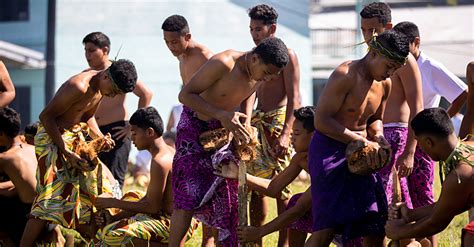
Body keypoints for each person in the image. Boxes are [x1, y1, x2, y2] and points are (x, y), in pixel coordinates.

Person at [168, 37, 289, 246]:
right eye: (267, 73)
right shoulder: (223, 63)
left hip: (226, 130)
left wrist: (247, 120)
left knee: (228, 194)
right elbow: (185, 95)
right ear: (255, 58)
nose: (268, 79)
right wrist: (221, 114)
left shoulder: (259, 73)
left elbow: (249, 91)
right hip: (194, 131)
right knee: (187, 199)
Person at [19, 59, 137, 246]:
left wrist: (100, 137)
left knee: (96, 189)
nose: (112, 96)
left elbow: (87, 116)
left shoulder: (100, 89)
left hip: (74, 137)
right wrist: (65, 151)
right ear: (106, 75)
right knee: (50, 198)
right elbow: (46, 117)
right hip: (51, 138)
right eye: (113, 91)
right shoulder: (78, 86)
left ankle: (93, 238)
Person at [308, 30, 409, 246]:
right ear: (373, 53)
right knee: (326, 227)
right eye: (388, 66)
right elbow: (321, 120)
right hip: (329, 151)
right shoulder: (345, 75)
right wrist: (360, 140)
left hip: (363, 157)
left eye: (395, 68)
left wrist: (379, 136)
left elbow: (375, 119)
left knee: (376, 222)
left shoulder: (385, 84)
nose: (390, 73)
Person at [95, 107, 197, 246]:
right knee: (133, 196)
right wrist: (115, 217)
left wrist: (112, 202)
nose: (131, 138)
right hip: (177, 217)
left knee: (112, 236)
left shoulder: (160, 161)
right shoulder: (168, 151)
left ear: (150, 132)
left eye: (134, 133)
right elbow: (151, 199)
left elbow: (152, 207)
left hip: (175, 224)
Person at [243, 5, 302, 245]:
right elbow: (248, 92)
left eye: (258, 29)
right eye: (251, 29)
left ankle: (283, 243)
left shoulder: (287, 54)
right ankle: (255, 238)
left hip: (279, 122)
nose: (254, 34)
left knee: (282, 187)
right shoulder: (252, 55)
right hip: (257, 122)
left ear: (273, 28)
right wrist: (246, 123)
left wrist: (287, 133)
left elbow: (295, 97)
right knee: (255, 184)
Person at [215, 106, 315, 246]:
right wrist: (240, 174)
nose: (292, 139)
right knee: (295, 200)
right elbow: (273, 188)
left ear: (313, 136)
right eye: (291, 134)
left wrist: (259, 232)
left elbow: (298, 211)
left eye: (296, 134)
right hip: (328, 213)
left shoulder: (325, 164)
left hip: (345, 216)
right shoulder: (301, 158)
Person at [162, 15, 219, 246]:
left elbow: (222, 93)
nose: (170, 47)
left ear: (187, 36)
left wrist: (218, 128)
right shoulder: (181, 57)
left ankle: (209, 241)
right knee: (183, 188)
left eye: (174, 42)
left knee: (212, 186)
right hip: (188, 127)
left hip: (209, 128)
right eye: (166, 42)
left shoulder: (206, 57)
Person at [385, 107, 473, 245]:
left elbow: (436, 223)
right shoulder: (469, 145)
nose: (419, 146)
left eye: (418, 141)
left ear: (428, 142)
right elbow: (450, 204)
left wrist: (398, 231)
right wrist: (410, 214)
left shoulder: (459, 176)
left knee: (470, 237)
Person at [83, 32, 153, 187]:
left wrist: (133, 126)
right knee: (91, 181)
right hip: (93, 132)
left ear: (105, 50)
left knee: (114, 181)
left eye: (92, 50)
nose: (87, 55)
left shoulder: (117, 71)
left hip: (117, 131)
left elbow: (146, 94)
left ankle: (115, 211)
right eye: (85, 50)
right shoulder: (86, 75)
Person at [393, 21, 468, 118]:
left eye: (403, 45)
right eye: (395, 46)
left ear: (416, 42)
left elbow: (462, 93)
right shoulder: (392, 64)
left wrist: (439, 122)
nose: (399, 50)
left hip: (419, 130)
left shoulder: (430, 67)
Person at [0, 107, 38, 246]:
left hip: (29, 214)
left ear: (1, 134)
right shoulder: (33, 149)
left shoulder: (5, 158)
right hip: (51, 208)